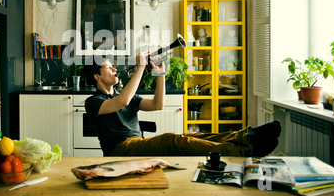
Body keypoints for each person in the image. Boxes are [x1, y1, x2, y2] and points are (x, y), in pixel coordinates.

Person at [84, 53, 281, 157]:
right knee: (172, 141)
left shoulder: (124, 94)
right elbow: (122, 102)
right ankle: (240, 151)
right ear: (97, 76)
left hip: (138, 143)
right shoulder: (94, 102)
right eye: (107, 67)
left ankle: (246, 136)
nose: (113, 68)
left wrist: (160, 74)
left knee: (189, 136)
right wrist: (141, 67)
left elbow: (157, 104)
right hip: (120, 150)